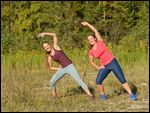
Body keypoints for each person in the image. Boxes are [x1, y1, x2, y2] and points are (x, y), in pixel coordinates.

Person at [81, 21, 137, 101]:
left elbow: (95, 30)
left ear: (95, 38)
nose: (90, 40)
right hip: (104, 66)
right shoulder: (91, 51)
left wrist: (87, 24)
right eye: (89, 40)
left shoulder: (100, 42)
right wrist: (99, 68)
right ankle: (103, 96)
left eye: (91, 38)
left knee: (122, 79)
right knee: (98, 81)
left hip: (112, 62)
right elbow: (91, 62)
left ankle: (131, 94)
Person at [37, 32, 94, 98]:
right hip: (62, 69)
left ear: (49, 45)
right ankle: (54, 97)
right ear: (44, 49)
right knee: (52, 82)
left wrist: (45, 33)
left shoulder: (55, 47)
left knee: (79, 81)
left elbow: (54, 35)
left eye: (47, 45)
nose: (47, 47)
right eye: (45, 47)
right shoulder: (49, 57)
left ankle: (90, 95)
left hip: (70, 66)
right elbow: (50, 67)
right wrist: (58, 69)